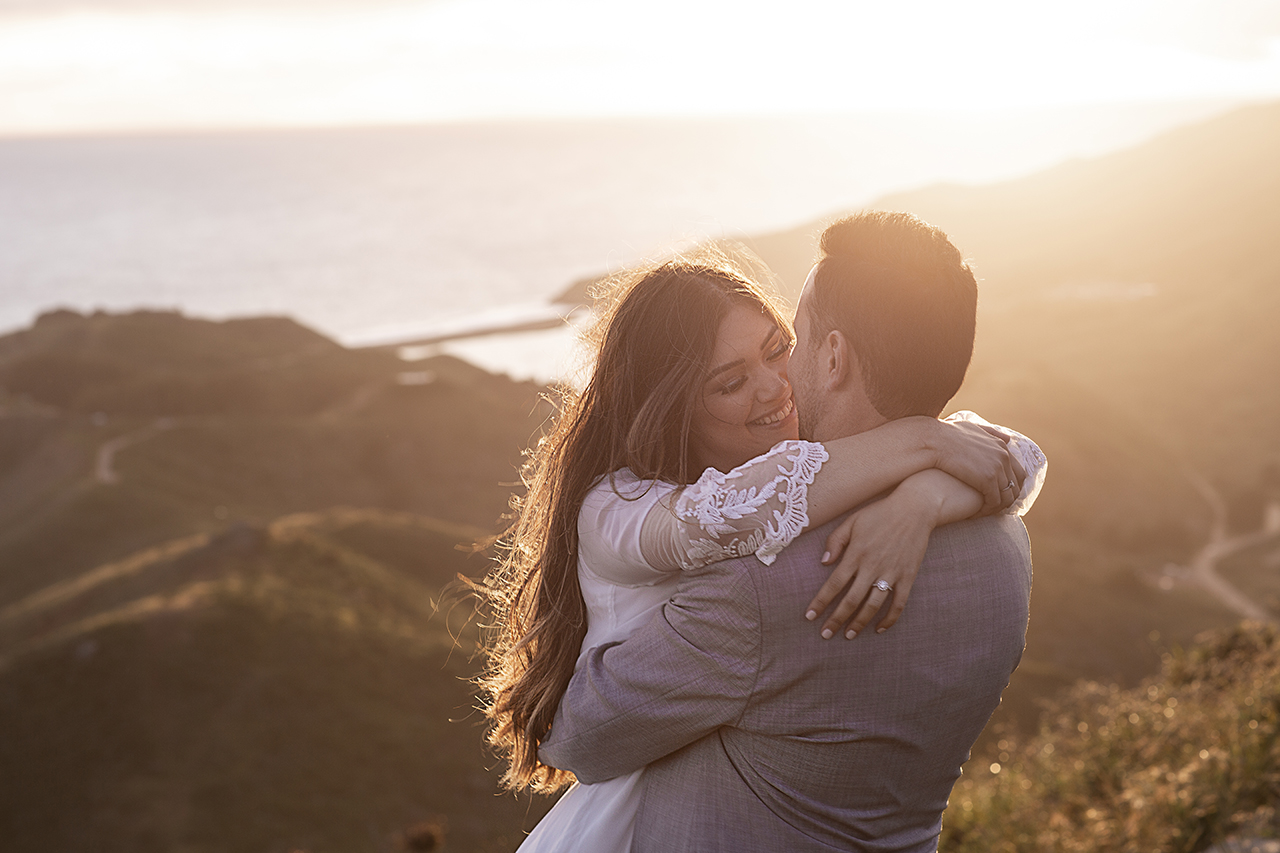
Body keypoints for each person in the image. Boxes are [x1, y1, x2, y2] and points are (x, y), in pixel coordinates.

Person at [480, 230, 1043, 850]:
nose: (779, 382)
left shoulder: (761, 586)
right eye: (730, 382)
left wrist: (921, 490)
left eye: (786, 345)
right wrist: (927, 478)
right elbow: (1011, 459)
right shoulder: (1007, 549)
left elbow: (577, 737)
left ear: (832, 357)